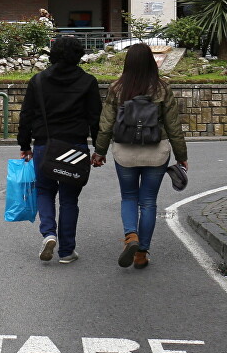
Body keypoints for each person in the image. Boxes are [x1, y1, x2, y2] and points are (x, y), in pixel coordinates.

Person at [91, 42, 187, 270]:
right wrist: (181, 155)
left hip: (125, 152)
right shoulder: (162, 88)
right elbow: (174, 125)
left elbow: (106, 124)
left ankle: (130, 236)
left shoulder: (117, 88)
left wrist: (100, 151)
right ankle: (142, 253)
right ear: (151, 63)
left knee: (128, 197)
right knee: (148, 202)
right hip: (156, 151)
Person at [17, 35, 101, 264]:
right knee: (69, 199)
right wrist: (99, 149)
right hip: (75, 147)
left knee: (44, 191)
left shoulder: (38, 81)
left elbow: (26, 116)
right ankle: (66, 251)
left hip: (45, 145)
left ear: (53, 54)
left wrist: (24, 145)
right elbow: (95, 119)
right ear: (79, 55)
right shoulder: (88, 82)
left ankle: (48, 233)